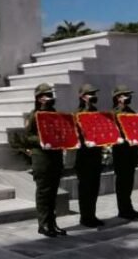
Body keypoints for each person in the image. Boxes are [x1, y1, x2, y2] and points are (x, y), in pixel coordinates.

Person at [24, 83, 67, 237]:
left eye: (51, 95)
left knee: (53, 192)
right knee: (44, 192)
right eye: (47, 95)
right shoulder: (33, 115)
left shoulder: (54, 113)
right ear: (39, 98)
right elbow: (28, 136)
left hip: (55, 156)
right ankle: (43, 225)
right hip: (41, 158)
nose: (50, 98)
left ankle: (52, 223)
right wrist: (41, 140)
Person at [112, 85, 138, 220]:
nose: (129, 97)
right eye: (125, 95)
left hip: (131, 152)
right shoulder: (115, 113)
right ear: (118, 98)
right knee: (122, 183)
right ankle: (123, 210)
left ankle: (128, 207)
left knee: (129, 182)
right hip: (121, 153)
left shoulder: (131, 111)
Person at [75, 84, 105, 227]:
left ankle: (92, 215)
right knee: (85, 189)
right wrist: (86, 107)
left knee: (94, 188)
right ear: (82, 97)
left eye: (94, 93)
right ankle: (85, 217)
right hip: (84, 157)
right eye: (90, 94)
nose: (93, 96)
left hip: (96, 155)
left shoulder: (96, 111)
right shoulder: (78, 113)